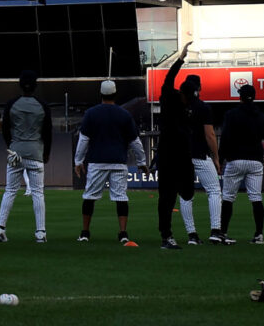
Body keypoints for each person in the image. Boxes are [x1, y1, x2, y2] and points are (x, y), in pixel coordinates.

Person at [76, 79, 144, 246]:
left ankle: (85, 232)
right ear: (115, 94)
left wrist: (78, 161)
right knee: (121, 197)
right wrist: (142, 161)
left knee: (89, 196)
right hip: (118, 162)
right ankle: (123, 233)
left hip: (97, 162)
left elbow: (83, 140)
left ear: (101, 94)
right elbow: (135, 141)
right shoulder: (124, 114)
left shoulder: (91, 113)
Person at [0, 73, 51, 244]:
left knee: (10, 190)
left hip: (16, 151)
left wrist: (11, 146)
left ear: (20, 85)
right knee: (38, 193)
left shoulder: (12, 104)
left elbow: (5, 128)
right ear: (35, 86)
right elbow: (47, 132)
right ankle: (40, 232)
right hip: (35, 152)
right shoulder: (42, 105)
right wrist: (46, 153)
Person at [154, 46, 198, 250]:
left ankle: (166, 234)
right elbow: (169, 78)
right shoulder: (169, 98)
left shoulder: (187, 107)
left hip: (182, 155)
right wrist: (180, 59)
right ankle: (166, 235)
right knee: (167, 196)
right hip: (168, 155)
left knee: (187, 193)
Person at [217, 83, 264, 244]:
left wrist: (219, 159)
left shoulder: (231, 114)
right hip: (255, 160)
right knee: (256, 197)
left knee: (228, 197)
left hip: (236, 159)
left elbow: (225, 138)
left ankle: (223, 232)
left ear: (240, 97)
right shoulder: (262, 116)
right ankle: (259, 235)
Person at [176, 74, 224, 245]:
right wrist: (216, 157)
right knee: (214, 191)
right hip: (200, 155)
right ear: (199, 88)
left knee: (185, 195)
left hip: (181, 156)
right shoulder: (203, 107)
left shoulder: (177, 108)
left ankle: (192, 235)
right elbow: (210, 134)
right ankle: (215, 231)